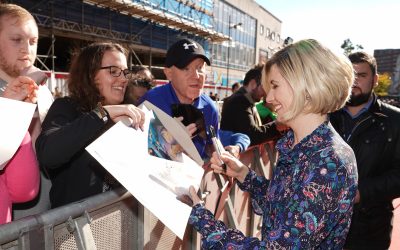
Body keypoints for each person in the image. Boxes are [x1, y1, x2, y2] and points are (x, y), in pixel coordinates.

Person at [182, 39, 358, 249]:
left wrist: (202, 218)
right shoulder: (302, 145)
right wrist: (243, 174)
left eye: (275, 86)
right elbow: (286, 206)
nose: (269, 97)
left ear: (306, 86)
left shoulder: (328, 162)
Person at [35, 42, 145, 208]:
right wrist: (102, 114)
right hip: (75, 229)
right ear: (91, 74)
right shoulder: (67, 107)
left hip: (121, 224)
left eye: (125, 72)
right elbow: (48, 154)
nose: (123, 79)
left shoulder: (131, 115)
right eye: (113, 71)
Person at [330, 51, 400, 249]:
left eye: (361, 75)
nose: (354, 81)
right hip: (323, 226)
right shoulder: (325, 116)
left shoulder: (395, 121)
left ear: (375, 80)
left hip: (369, 230)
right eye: (350, 75)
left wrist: (362, 192)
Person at [139, 38, 248, 159]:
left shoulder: (210, 108)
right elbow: (135, 150)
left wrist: (229, 151)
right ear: (168, 73)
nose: (196, 76)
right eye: (186, 68)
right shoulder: (151, 102)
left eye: (200, 68)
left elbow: (212, 147)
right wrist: (172, 142)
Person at [0, 3, 50, 220]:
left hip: (45, 211)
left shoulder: (43, 91)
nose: (27, 50)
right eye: (16, 39)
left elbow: (44, 153)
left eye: (33, 42)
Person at [220, 65, 282, 146]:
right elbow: (251, 136)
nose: (266, 93)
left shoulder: (245, 100)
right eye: (264, 87)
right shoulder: (239, 101)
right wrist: (278, 125)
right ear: (253, 84)